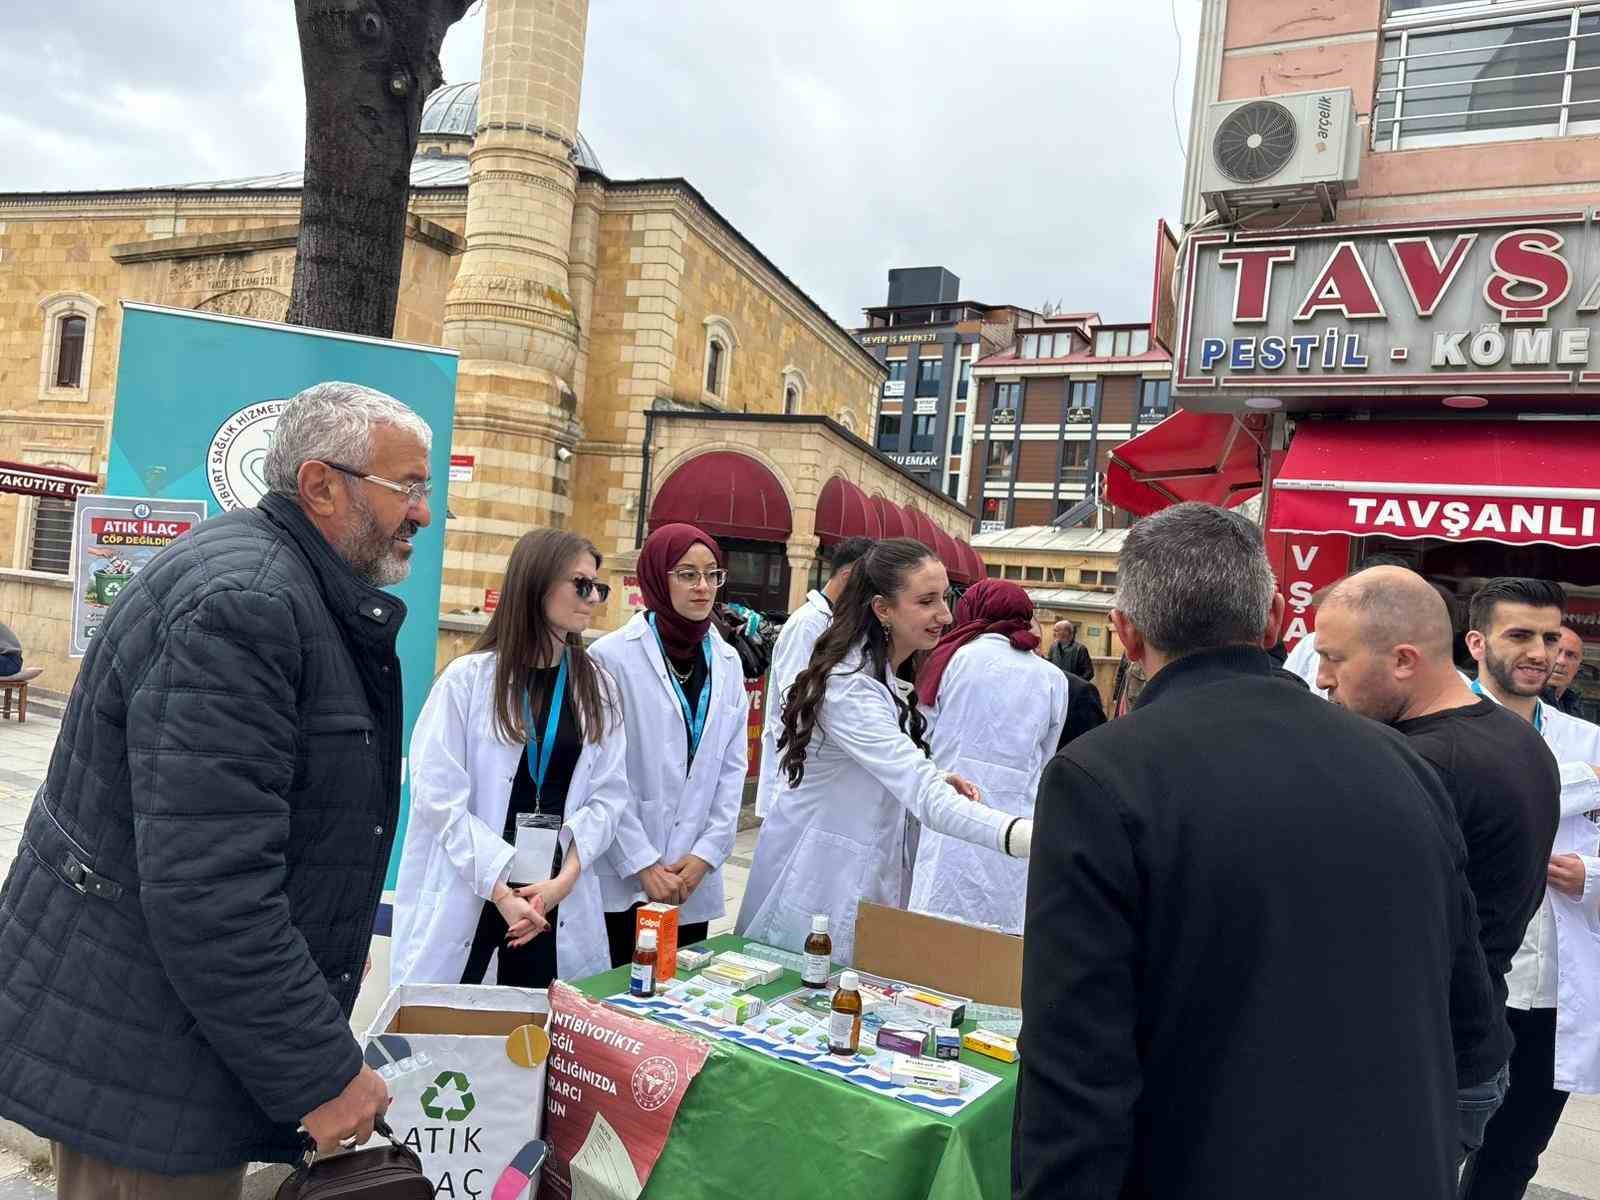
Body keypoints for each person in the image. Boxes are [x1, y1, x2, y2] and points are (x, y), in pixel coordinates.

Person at [0, 382, 431, 1196]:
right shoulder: (245, 607)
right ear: (321, 485)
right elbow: (212, 889)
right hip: (144, 1065)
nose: (423, 513)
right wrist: (325, 1074)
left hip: (167, 1047)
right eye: (408, 486)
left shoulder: (280, 589)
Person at [1014, 503, 1500, 1200]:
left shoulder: (1099, 777)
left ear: (1126, 631)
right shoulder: (1402, 762)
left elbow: (1074, 1071)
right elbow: (1472, 1023)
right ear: (1275, 619)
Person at [1313, 567, 1559, 1164]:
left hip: (1404, 1065)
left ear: (1403, 661)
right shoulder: (1521, 740)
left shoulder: (1409, 767)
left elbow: (1356, 935)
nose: (1321, 680)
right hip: (1466, 1045)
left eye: (1334, 659)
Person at [736, 538, 1032, 965]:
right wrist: (1028, 838)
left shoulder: (885, 678)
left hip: (857, 882)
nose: (945, 616)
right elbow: (925, 797)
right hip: (817, 889)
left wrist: (931, 774)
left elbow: (889, 767)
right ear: (882, 608)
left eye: (945, 599)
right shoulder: (849, 687)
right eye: (927, 601)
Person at [392, 529, 631, 989]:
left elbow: (609, 796)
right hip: (476, 891)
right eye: (581, 584)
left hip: (553, 899)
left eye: (597, 588)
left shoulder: (597, 685)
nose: (593, 598)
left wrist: (565, 881)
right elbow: (438, 799)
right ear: (537, 583)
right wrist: (501, 892)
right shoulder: (468, 680)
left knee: (541, 1041)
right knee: (452, 1041)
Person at [1457, 579, 1600, 1200]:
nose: (1540, 652)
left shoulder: (1587, 740)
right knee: (1432, 1144)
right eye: (1520, 636)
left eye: (1549, 637)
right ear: (1477, 642)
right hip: (1463, 986)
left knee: (1515, 1157)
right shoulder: (1437, 729)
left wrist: (1591, 876)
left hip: (1548, 994)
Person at [590, 523, 747, 966]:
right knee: (618, 997)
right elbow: (603, 774)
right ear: (658, 578)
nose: (703, 587)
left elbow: (732, 768)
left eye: (712, 574)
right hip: (625, 876)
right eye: (686, 574)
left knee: (675, 1000)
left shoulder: (728, 661)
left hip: (690, 878)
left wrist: (705, 855)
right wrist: (642, 863)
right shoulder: (611, 657)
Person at [907, 579, 1065, 934]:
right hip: (1016, 817)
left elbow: (924, 731)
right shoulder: (1053, 677)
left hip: (951, 806)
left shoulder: (952, 659)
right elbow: (1046, 754)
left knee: (937, 923)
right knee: (1001, 927)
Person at [754, 535, 873, 819]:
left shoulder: (835, 622)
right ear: (848, 576)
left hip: (817, 766)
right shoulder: (808, 623)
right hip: (799, 761)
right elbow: (795, 697)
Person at [1543, 625, 1586, 718]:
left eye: (1570, 655)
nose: (1561, 661)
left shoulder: (1574, 706)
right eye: (1556, 652)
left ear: (1579, 666)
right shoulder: (1520, 700)